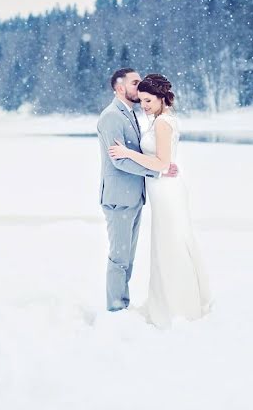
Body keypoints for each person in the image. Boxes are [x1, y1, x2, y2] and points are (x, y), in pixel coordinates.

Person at [109, 73, 211, 328]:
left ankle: (179, 307)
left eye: (148, 101)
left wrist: (127, 153)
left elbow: (162, 163)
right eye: (142, 100)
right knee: (165, 244)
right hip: (160, 189)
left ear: (161, 98)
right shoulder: (157, 120)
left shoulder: (164, 123)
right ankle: (168, 301)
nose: (144, 105)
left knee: (171, 244)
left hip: (167, 192)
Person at [96, 68, 178, 312]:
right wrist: (158, 171)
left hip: (134, 196)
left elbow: (140, 154)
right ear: (120, 88)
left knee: (127, 258)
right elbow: (118, 160)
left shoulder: (131, 113)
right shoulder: (111, 117)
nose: (139, 85)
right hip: (119, 197)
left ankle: (122, 304)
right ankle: (115, 308)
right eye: (134, 82)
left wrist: (160, 164)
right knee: (119, 257)